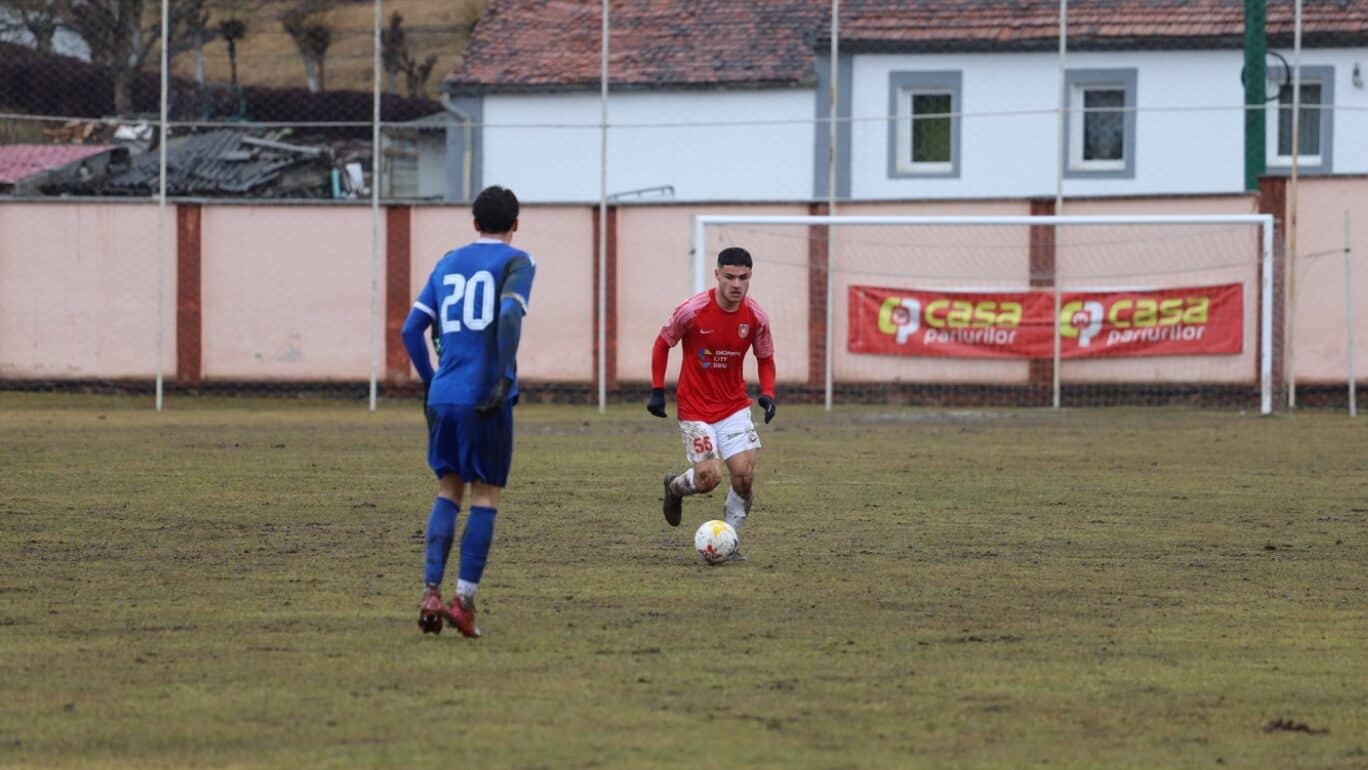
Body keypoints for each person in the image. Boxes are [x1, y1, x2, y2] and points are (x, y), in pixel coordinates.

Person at [401, 185, 535, 638]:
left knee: (447, 491)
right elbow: (511, 316)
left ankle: (430, 592)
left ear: (474, 222)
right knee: (485, 496)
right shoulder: (517, 262)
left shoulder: (447, 262)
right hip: (486, 397)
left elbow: (411, 329)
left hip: (445, 394)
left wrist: (429, 378)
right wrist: (500, 376)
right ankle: (463, 601)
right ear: (515, 223)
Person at [648, 246, 776, 559]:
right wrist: (656, 389)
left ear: (750, 278)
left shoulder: (756, 317)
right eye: (730, 276)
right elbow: (663, 343)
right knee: (709, 479)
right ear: (717, 275)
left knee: (744, 476)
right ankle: (675, 488)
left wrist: (769, 393)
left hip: (733, 406)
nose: (736, 284)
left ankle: (730, 545)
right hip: (694, 407)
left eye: (743, 277)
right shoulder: (692, 311)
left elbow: (766, 357)